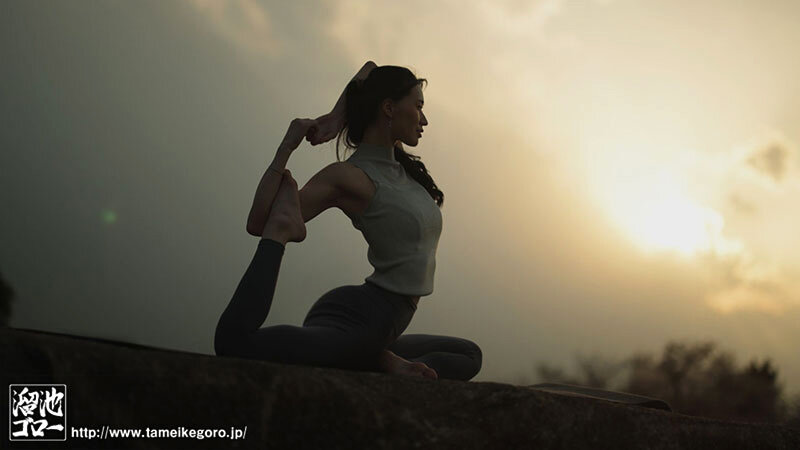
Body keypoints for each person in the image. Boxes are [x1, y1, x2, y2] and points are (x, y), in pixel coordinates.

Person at [214, 61, 482, 381]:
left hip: (371, 317)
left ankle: (375, 357)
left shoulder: (404, 171)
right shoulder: (350, 176)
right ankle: (374, 357)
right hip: (364, 322)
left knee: (469, 355)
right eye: (418, 106)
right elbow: (257, 222)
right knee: (235, 343)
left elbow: (370, 69)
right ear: (388, 108)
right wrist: (286, 148)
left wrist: (335, 117)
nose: (424, 119)